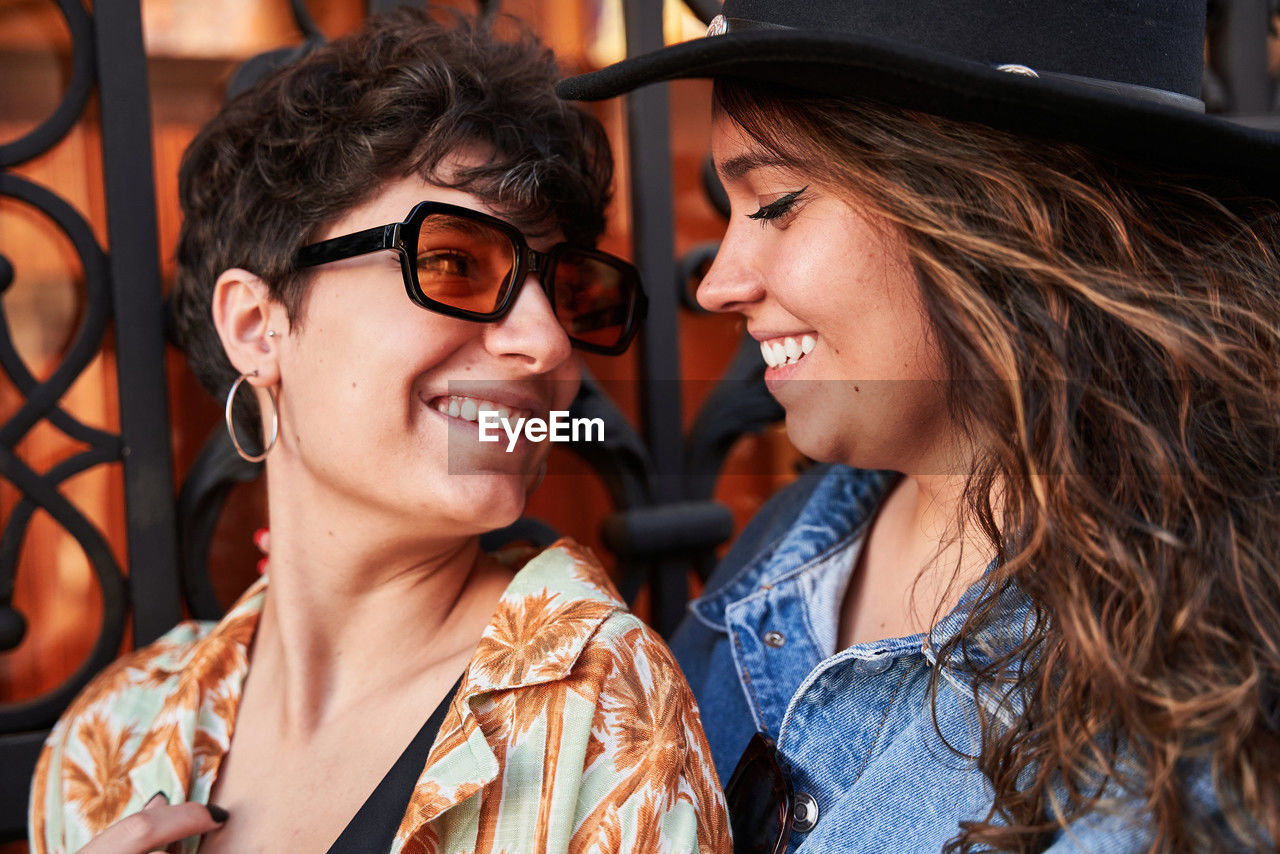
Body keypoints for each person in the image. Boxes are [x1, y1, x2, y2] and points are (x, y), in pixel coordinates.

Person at [559, 0, 1280, 850]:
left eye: (777, 202)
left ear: (994, 205)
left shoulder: (1200, 687)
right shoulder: (797, 539)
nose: (716, 283)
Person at [30, 9, 731, 853]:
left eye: (568, 289)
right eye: (454, 262)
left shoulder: (595, 715)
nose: (547, 343)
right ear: (257, 326)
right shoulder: (104, 745)